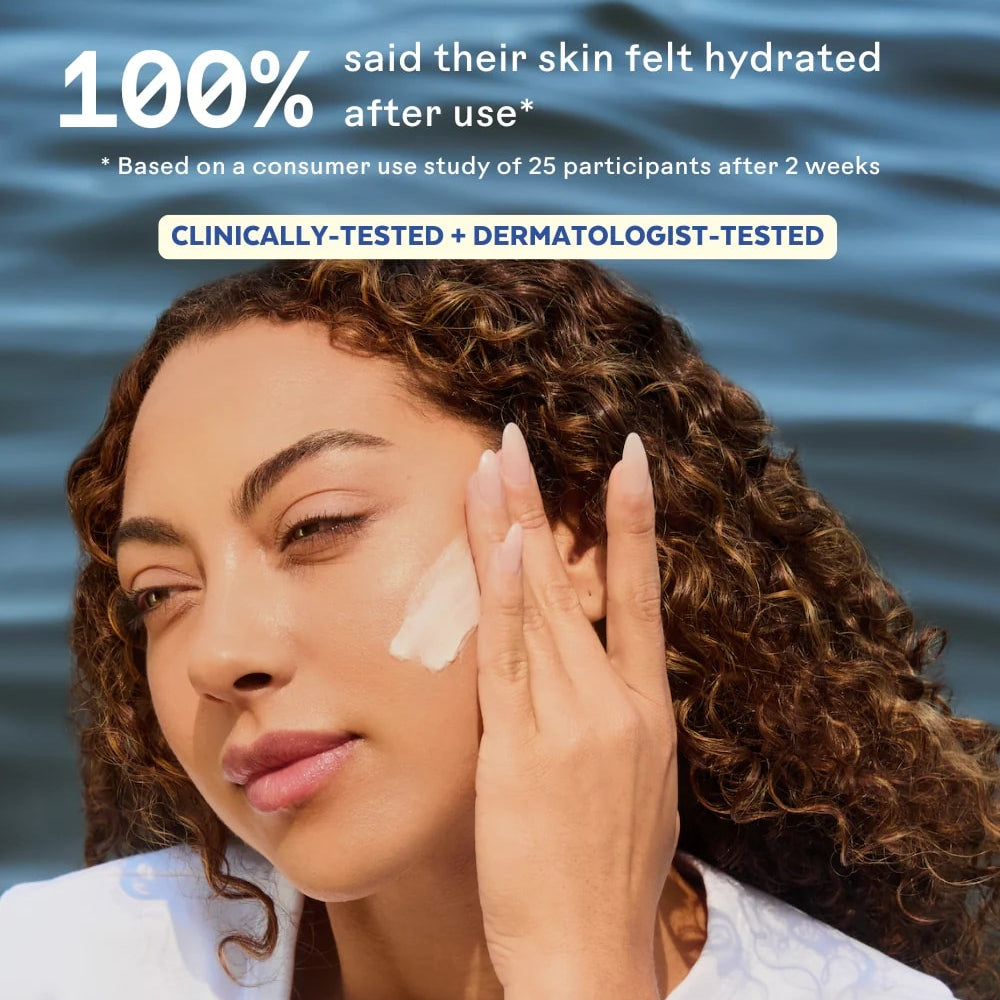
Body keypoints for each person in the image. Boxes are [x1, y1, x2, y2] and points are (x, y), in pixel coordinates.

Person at [0, 259, 996, 999]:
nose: (218, 654)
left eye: (316, 527)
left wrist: (582, 974)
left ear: (574, 532)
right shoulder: (56, 964)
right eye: (160, 590)